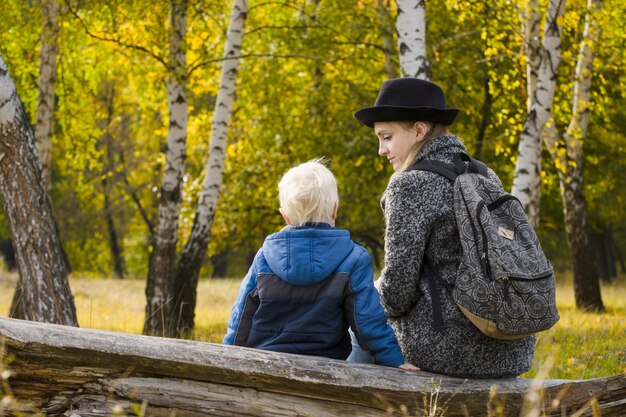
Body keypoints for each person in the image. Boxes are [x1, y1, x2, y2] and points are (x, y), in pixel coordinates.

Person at [352, 78, 536, 378]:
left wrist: (365, 301)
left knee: (359, 317)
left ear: (419, 130)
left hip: (451, 349)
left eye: (386, 137)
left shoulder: (408, 185)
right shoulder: (482, 172)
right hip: (511, 343)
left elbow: (396, 293)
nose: (381, 150)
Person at [223, 159, 418, 371]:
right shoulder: (353, 258)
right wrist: (394, 360)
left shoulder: (264, 257)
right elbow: (367, 321)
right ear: (335, 209)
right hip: (327, 367)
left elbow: (241, 315)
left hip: (266, 363)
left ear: (285, 216)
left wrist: (228, 355)